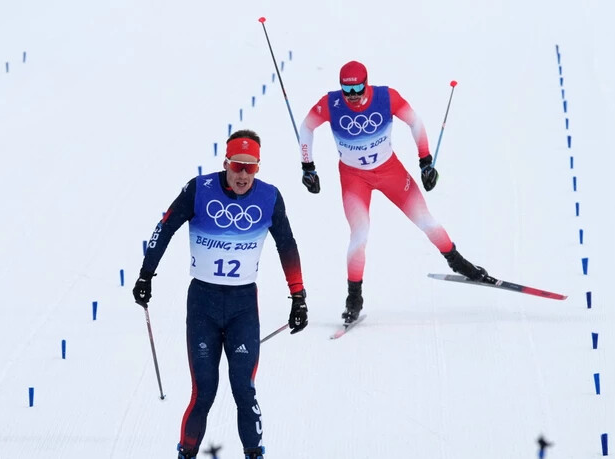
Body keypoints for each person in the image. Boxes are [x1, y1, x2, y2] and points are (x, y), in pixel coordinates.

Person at [133, 129, 308, 459]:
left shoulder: (269, 197)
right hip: (203, 304)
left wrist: (298, 297)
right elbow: (165, 227)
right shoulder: (199, 190)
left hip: (243, 307)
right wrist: (146, 274)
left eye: (250, 168)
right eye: (237, 166)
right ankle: (186, 454)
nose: (243, 175)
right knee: (204, 392)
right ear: (226, 163)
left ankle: (254, 454)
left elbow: (287, 245)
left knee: (244, 389)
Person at [297, 60, 493, 324]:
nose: (352, 96)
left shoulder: (385, 97)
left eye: (358, 89)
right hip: (354, 178)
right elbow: (307, 127)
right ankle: (354, 298)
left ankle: (458, 263)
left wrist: (425, 162)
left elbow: (415, 122)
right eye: (347, 90)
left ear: (367, 83)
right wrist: (308, 167)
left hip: (390, 172)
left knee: (426, 220)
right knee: (359, 234)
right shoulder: (330, 103)